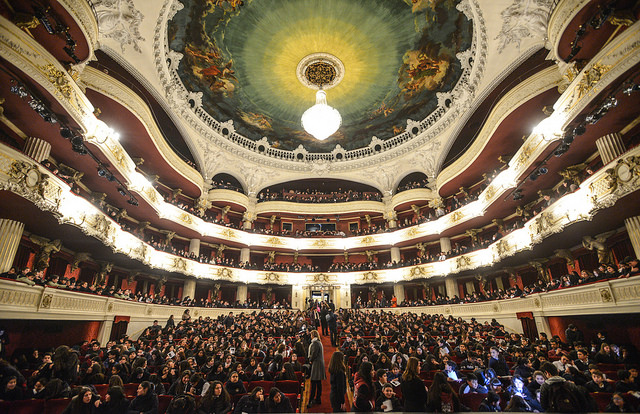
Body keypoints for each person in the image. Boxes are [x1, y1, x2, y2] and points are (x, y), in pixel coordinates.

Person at [307, 329, 325, 407]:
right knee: (318, 382)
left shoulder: (315, 343)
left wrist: (310, 360)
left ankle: (311, 400)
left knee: (314, 383)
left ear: (313, 335)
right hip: (319, 364)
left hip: (316, 364)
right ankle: (318, 398)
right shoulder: (318, 342)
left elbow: (313, 354)